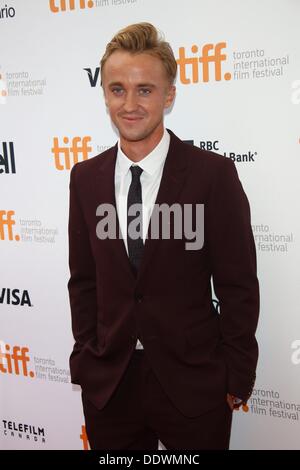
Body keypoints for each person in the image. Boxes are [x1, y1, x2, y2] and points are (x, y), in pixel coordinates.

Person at [67, 22, 259, 450]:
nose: (130, 104)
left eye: (145, 90)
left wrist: (236, 374)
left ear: (169, 95)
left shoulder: (212, 175)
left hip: (193, 385)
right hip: (110, 385)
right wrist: (86, 357)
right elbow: (83, 281)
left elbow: (238, 286)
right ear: (104, 95)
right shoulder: (85, 178)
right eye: (117, 89)